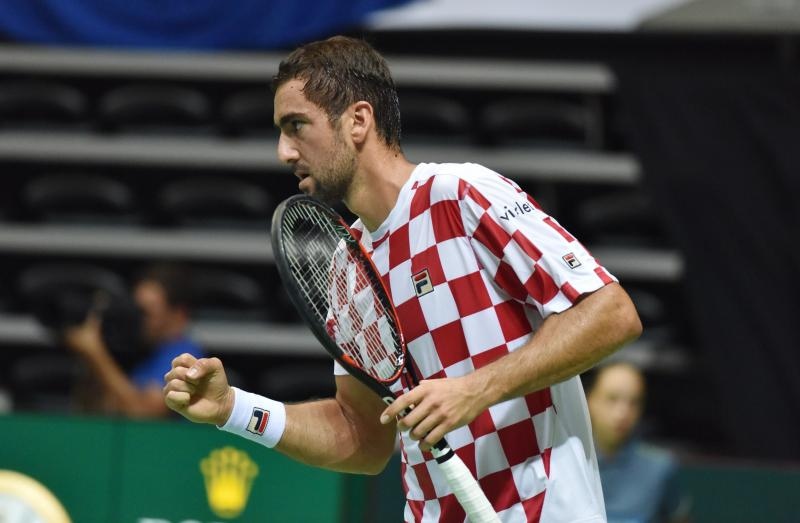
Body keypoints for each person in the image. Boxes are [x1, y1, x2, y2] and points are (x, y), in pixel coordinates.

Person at [163, 36, 642, 522]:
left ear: (358, 120)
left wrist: (476, 389)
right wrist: (232, 408)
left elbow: (611, 312)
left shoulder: (461, 196)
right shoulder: (349, 267)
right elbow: (361, 437)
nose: (284, 151)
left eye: (296, 126)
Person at [65, 263, 204, 418]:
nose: (137, 320)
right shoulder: (138, 351)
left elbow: (145, 416)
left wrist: (96, 354)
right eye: (136, 310)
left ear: (179, 315)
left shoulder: (185, 356)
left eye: (146, 313)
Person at [586, 362, 690, 523]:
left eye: (634, 402)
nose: (622, 413)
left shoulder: (660, 467)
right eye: (612, 399)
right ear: (589, 400)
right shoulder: (565, 464)